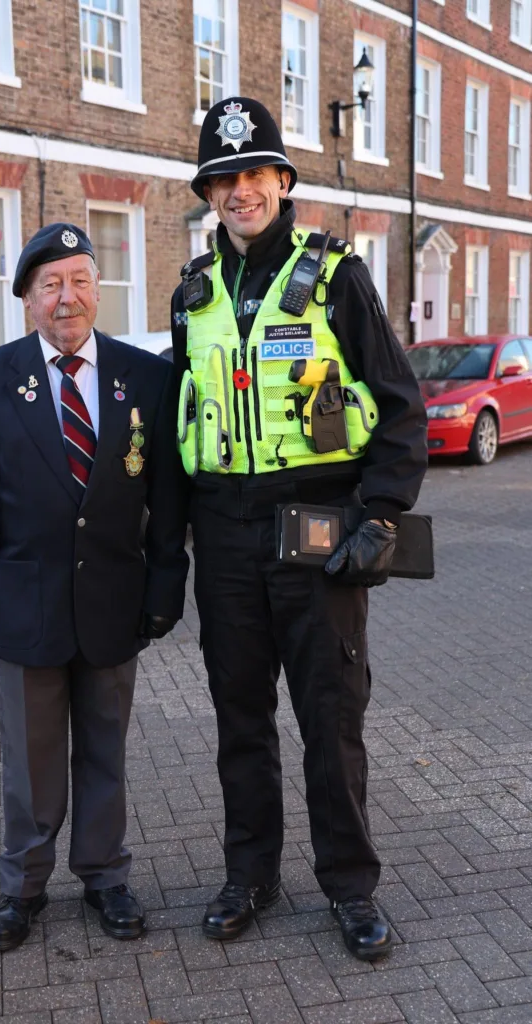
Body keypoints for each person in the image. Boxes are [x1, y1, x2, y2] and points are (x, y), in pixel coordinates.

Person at [171, 98, 428, 961]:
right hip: (224, 535)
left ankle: (350, 889)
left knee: (330, 716)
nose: (239, 191)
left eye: (253, 174)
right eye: (222, 179)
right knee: (238, 716)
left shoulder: (335, 275)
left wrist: (380, 515)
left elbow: (399, 407)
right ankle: (250, 875)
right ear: (209, 195)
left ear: (281, 181)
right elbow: (182, 429)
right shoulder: (192, 294)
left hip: (317, 532)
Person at [0, 222, 189, 952]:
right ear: (26, 299)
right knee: (31, 757)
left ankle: (105, 877)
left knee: (105, 750)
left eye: (80, 279)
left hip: (116, 602)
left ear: (96, 289)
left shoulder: (145, 377)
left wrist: (164, 590)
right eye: (50, 284)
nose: (67, 297)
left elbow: (168, 502)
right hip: (26, 605)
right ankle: (22, 886)